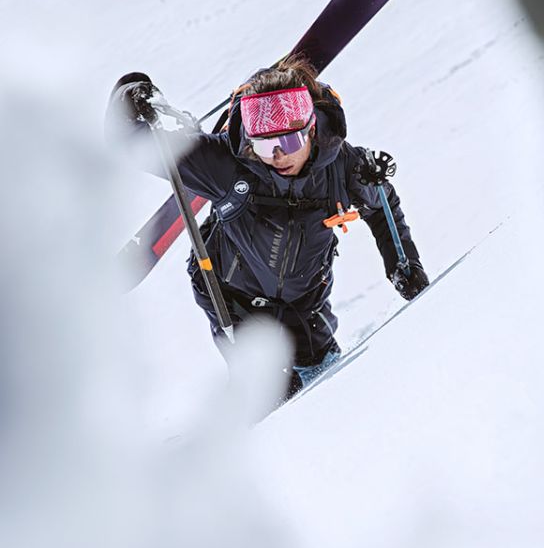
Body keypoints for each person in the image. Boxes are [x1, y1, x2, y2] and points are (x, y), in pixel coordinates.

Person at [107, 56, 429, 397]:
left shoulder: (342, 166)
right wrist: (132, 94)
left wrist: (403, 263)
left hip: (306, 301)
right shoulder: (225, 166)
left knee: (328, 379)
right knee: (268, 395)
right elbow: (129, 141)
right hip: (234, 300)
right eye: (264, 144)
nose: (278, 156)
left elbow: (382, 202)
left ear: (311, 130)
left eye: (289, 142)